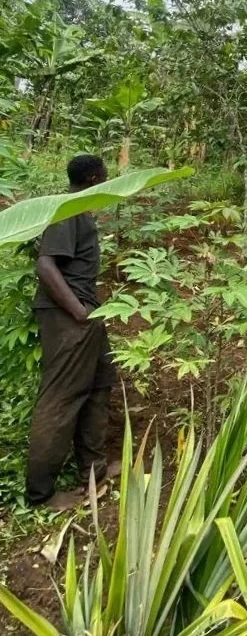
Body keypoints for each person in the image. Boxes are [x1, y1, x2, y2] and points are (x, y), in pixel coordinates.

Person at [26, 155, 118, 509]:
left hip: (87, 313)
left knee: (99, 383)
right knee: (61, 398)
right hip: (69, 316)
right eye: (105, 179)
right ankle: (41, 494)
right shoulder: (68, 211)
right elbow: (45, 265)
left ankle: (93, 470)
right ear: (94, 178)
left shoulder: (80, 211)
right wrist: (79, 311)